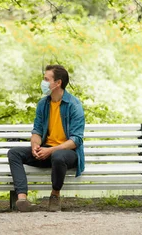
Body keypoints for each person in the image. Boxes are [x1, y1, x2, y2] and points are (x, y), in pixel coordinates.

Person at [7, 65, 85, 212]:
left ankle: (55, 195)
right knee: (14, 153)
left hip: (67, 153)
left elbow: (76, 140)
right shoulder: (43, 104)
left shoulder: (74, 105)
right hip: (46, 150)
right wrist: (35, 145)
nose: (43, 83)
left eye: (46, 79)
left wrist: (51, 151)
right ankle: (22, 199)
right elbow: (37, 131)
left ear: (58, 83)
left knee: (57, 155)